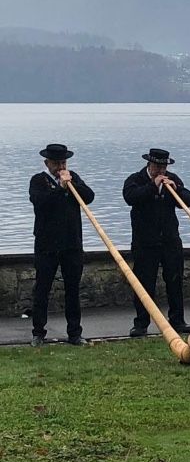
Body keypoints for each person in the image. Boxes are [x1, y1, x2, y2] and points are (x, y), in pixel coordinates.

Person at [28, 143, 94, 346]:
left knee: (73, 289)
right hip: (46, 245)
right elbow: (40, 202)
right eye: (56, 163)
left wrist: (73, 184)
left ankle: (74, 333)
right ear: (47, 163)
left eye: (63, 162)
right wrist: (60, 189)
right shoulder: (38, 181)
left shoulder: (73, 178)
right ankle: (38, 333)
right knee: (42, 289)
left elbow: (89, 197)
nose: (60, 167)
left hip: (71, 244)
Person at [123, 148, 190, 336]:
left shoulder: (173, 179)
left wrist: (176, 189)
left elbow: (187, 200)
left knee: (175, 281)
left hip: (170, 240)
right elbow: (130, 197)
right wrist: (152, 186)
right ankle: (141, 323)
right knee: (144, 284)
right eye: (157, 167)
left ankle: (177, 321)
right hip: (145, 242)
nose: (161, 171)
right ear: (149, 165)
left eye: (163, 167)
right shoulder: (135, 179)